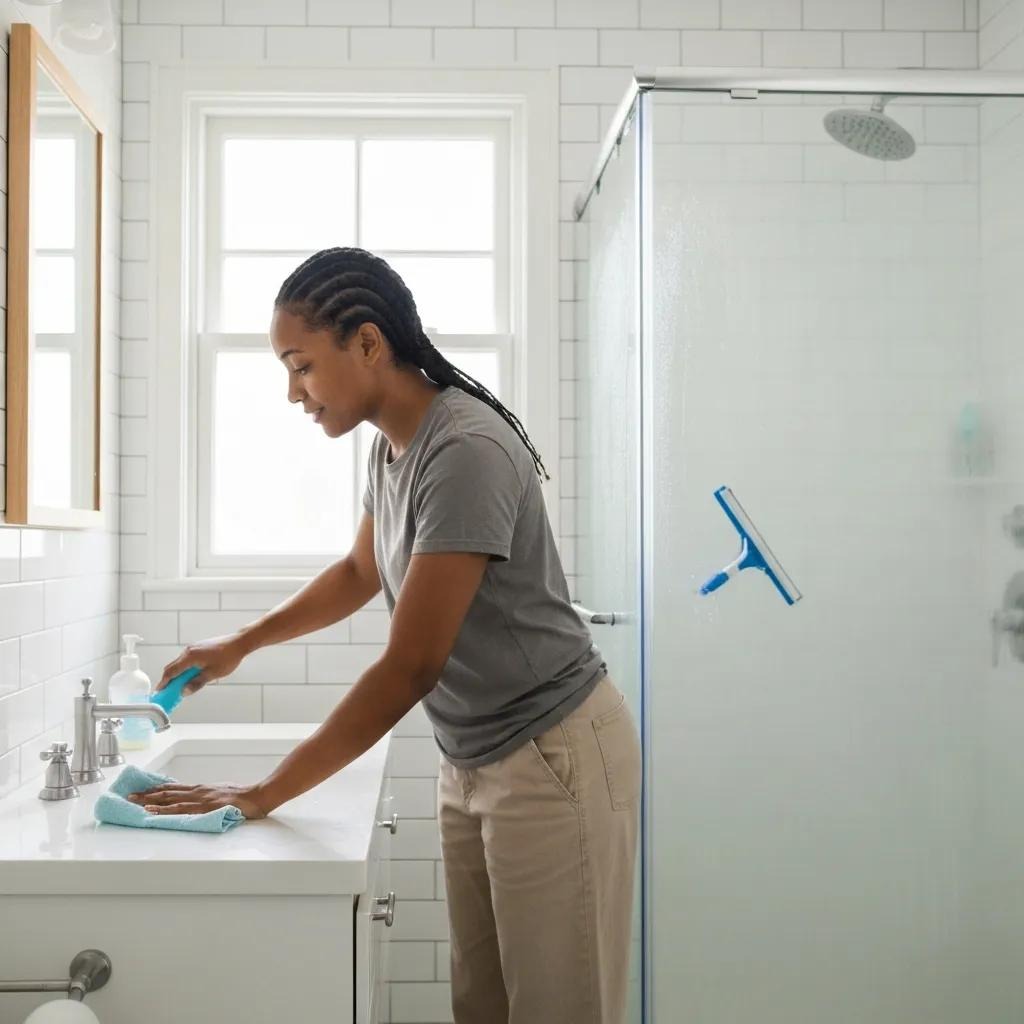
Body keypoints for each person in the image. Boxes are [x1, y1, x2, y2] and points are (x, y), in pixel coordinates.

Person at [128, 247, 641, 1024]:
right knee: (485, 1007)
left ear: (368, 343)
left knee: (557, 1009)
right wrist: (240, 644)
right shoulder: (391, 446)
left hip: (554, 755)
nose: (292, 392)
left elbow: (410, 666)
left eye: (300, 366)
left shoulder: (464, 450)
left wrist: (266, 791)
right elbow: (359, 572)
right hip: (476, 757)